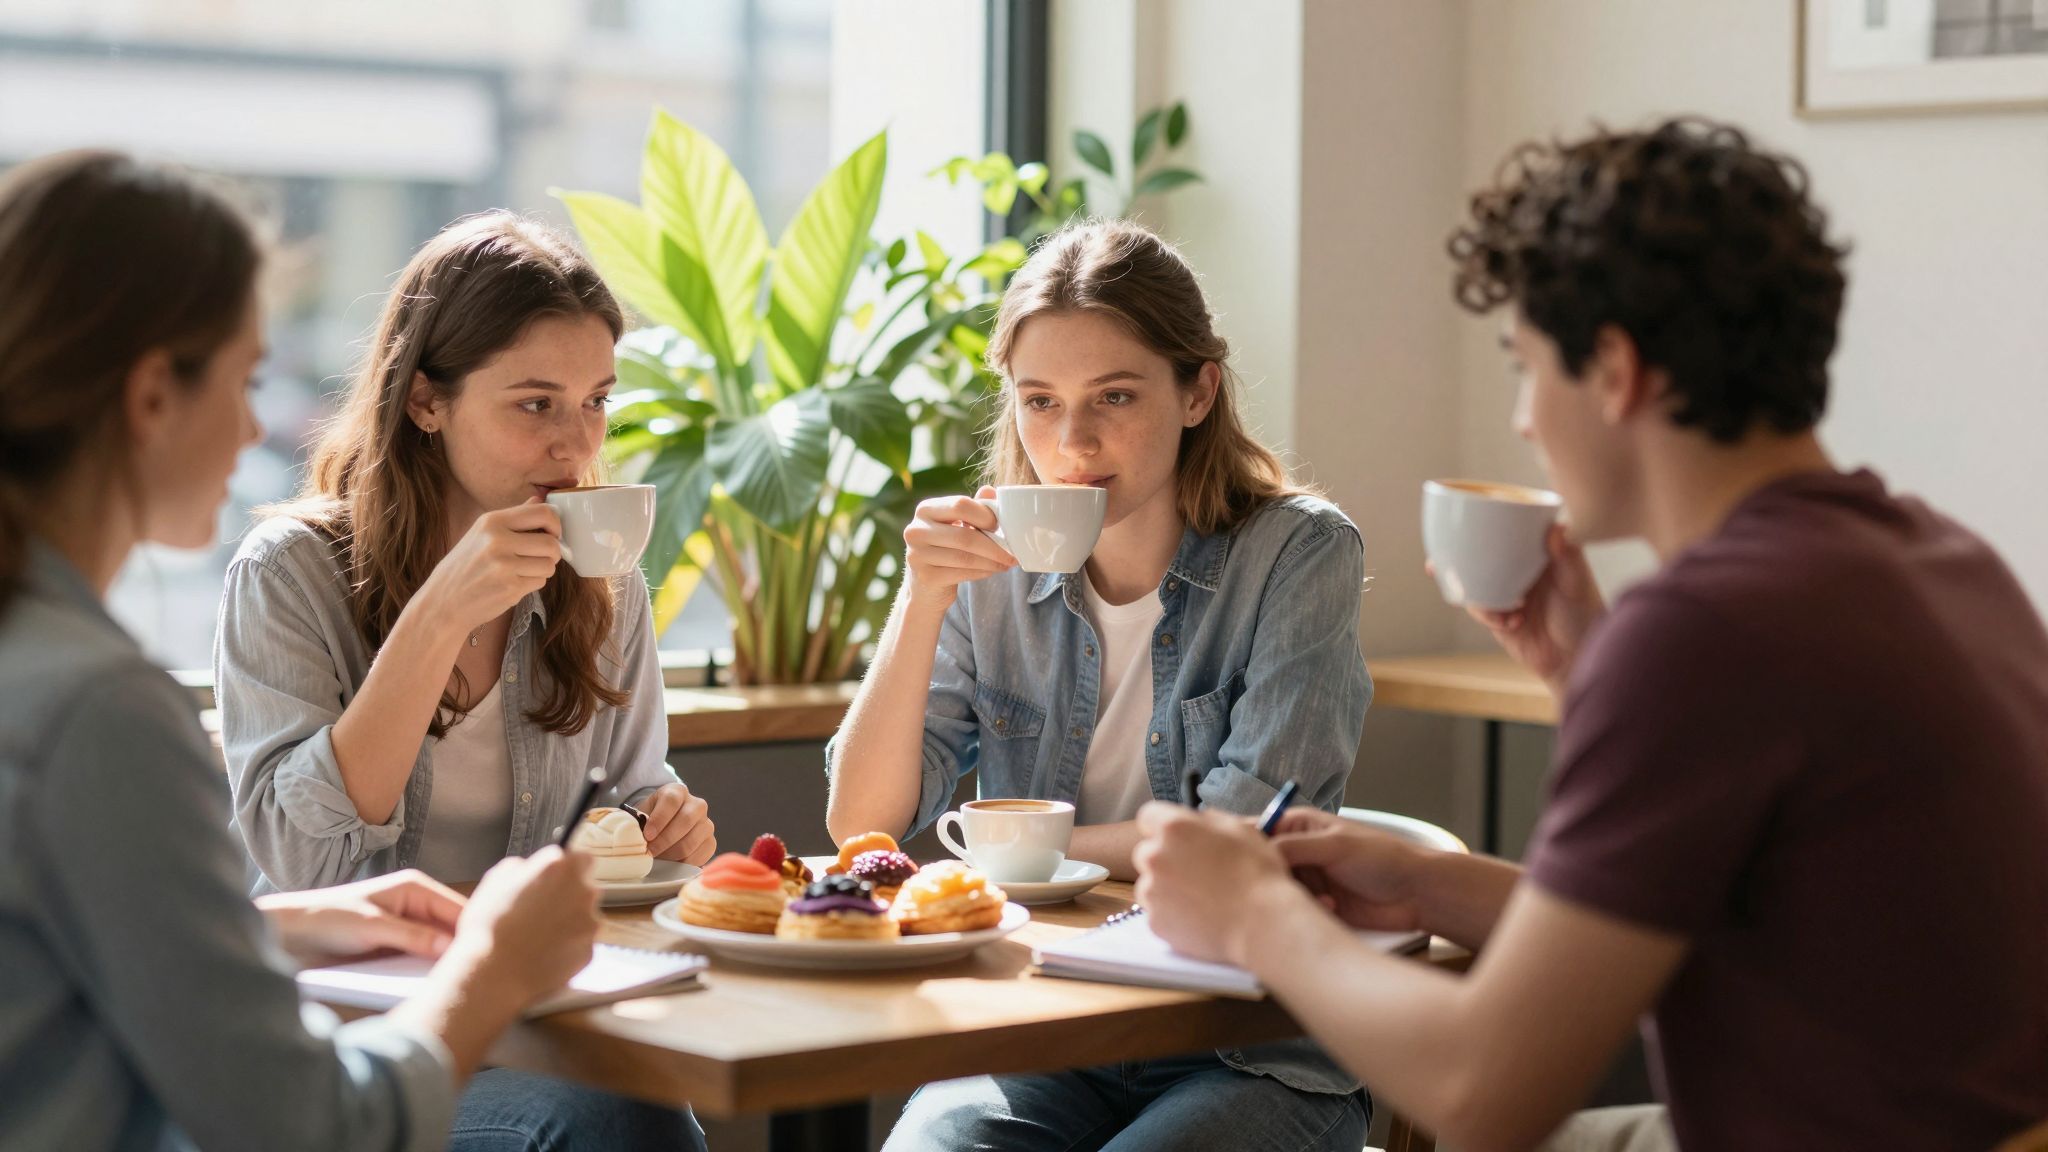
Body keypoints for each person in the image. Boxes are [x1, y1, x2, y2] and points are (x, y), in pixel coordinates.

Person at [1131, 117, 2048, 1151]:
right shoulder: (1943, 562)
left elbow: (1482, 1095)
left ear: (1613, 371)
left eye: (1525, 366)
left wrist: (1256, 917)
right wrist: (1433, 876)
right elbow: (1742, 919)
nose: (1523, 418)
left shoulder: (1707, 635)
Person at [0, 149, 699, 1151]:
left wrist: (288, 928)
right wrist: (490, 973)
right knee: (619, 1126)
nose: (254, 427)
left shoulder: (43, 667)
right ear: (153, 396)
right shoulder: (100, 708)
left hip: (481, 1024)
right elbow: (317, 1124)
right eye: (245, 378)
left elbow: (74, 952)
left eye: (595, 402)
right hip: (376, 1052)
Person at [828, 219, 1374, 1151]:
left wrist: (1013, 856)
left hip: (1245, 1043)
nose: (1071, 441)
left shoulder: (1298, 553)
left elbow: (1240, 835)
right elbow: (862, 823)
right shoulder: (988, 571)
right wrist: (922, 599)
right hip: (1045, 1026)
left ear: (1198, 390)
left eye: (1113, 396)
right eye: (1039, 402)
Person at [215, 212, 715, 893]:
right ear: (425, 400)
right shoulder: (289, 572)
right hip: (355, 985)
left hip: (536, 970)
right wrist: (439, 615)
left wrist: (658, 817)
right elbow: (300, 861)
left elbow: (626, 797)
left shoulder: (602, 580)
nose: (577, 445)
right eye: (536, 404)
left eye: (595, 400)